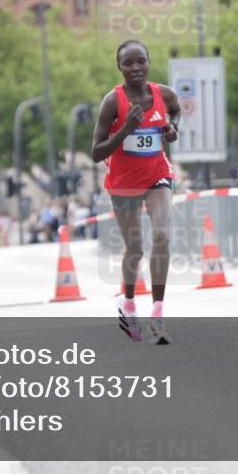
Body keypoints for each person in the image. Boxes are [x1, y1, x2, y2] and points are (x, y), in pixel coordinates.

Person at [91, 39, 181, 345]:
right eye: (128, 63)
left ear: (148, 62)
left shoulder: (163, 94)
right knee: (136, 250)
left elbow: (176, 112)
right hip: (124, 182)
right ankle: (127, 303)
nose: (135, 68)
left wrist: (172, 128)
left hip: (157, 174)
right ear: (119, 67)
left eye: (140, 61)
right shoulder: (112, 102)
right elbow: (96, 151)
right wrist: (125, 129)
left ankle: (157, 315)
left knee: (162, 235)